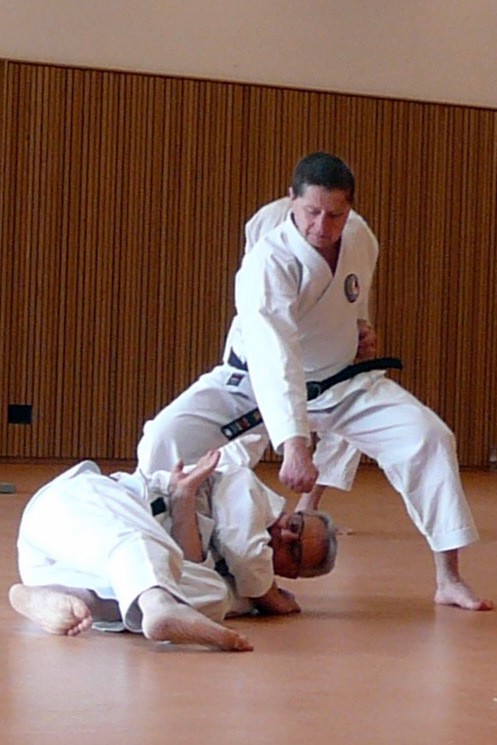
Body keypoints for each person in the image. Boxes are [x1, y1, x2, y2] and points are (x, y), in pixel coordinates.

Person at [135, 151, 493, 613]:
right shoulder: (268, 261)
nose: (323, 226)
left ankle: (449, 578)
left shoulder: (359, 235)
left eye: (335, 215)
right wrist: (294, 443)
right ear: (292, 201)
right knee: (166, 438)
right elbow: (275, 355)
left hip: (341, 385)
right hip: (252, 384)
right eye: (312, 212)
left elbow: (352, 294)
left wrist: (360, 327)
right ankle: (154, 564)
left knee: (429, 437)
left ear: (351, 208)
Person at [9, 450, 337, 651]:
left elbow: (190, 560)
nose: (285, 535)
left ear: (290, 573)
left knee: (215, 595)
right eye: (295, 525)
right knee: (137, 540)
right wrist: (270, 599)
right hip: (71, 508)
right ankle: (158, 605)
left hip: (55, 571)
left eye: (293, 551)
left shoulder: (239, 586)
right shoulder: (245, 486)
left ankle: (49, 598)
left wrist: (183, 503)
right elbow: (245, 551)